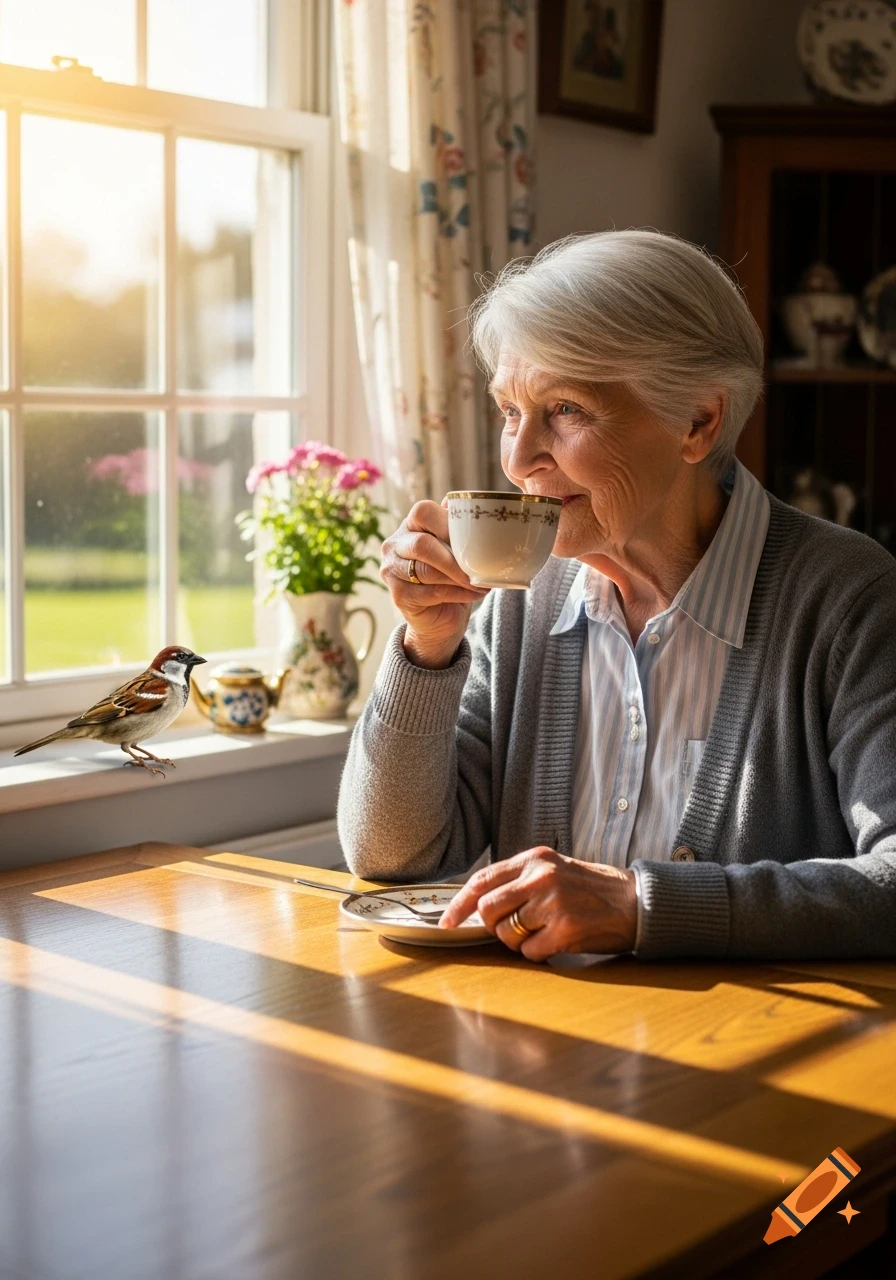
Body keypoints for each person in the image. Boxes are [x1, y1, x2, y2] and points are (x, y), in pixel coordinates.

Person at [336, 229, 896, 962]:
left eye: (565, 409)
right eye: (511, 410)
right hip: (541, 1044)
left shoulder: (848, 597)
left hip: (754, 1056)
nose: (519, 457)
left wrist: (645, 906)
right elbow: (393, 862)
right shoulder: (516, 602)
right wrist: (428, 647)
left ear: (699, 421)